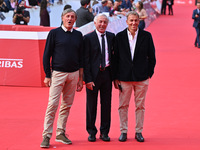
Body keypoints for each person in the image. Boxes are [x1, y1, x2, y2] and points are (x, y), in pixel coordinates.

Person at [40, 8, 84, 148]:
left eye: (72, 17)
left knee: (66, 106)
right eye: (67, 16)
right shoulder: (54, 33)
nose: (70, 19)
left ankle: (60, 132)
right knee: (52, 104)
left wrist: (80, 78)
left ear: (75, 19)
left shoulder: (78, 35)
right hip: (57, 73)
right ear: (62, 18)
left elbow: (82, 58)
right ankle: (46, 135)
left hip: (74, 74)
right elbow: (47, 55)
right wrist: (48, 75)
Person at [113, 11, 156, 142]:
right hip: (124, 78)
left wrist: (149, 73)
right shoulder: (119, 37)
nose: (133, 23)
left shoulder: (147, 36)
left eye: (136, 20)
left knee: (140, 106)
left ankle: (139, 131)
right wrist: (115, 77)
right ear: (126, 22)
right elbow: (115, 59)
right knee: (123, 106)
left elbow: (152, 57)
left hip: (142, 78)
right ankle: (123, 131)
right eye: (131, 20)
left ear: (139, 21)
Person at [83, 13, 115, 142]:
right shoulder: (88, 38)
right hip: (93, 76)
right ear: (95, 23)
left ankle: (104, 132)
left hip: (107, 74)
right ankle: (91, 131)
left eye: (105, 22)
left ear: (107, 24)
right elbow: (85, 60)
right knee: (91, 105)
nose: (102, 24)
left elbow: (115, 57)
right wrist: (88, 79)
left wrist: (115, 77)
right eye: (100, 22)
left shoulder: (112, 37)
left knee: (106, 104)